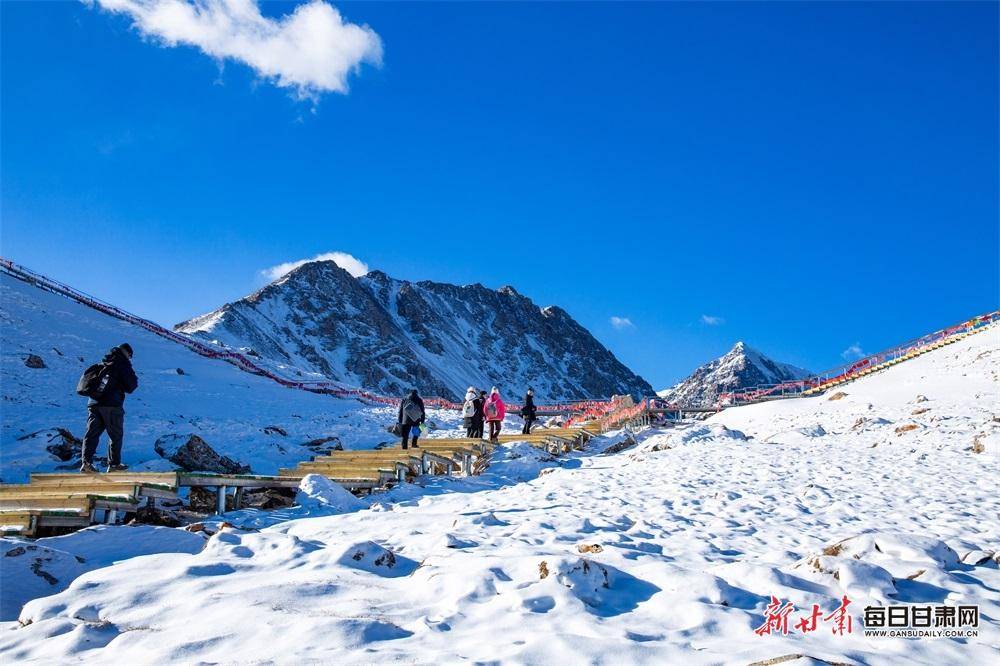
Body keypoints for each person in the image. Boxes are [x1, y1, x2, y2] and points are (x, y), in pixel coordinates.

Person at [81, 343, 138, 473]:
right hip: (112, 405)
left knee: (91, 434)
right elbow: (131, 386)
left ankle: (86, 463)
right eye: (130, 356)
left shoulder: (104, 362)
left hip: (94, 403)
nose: (130, 358)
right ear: (126, 353)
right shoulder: (122, 364)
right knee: (115, 435)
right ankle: (114, 465)